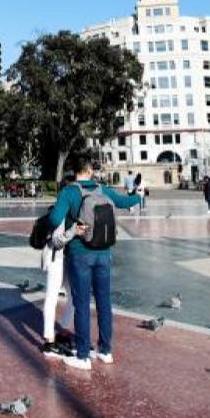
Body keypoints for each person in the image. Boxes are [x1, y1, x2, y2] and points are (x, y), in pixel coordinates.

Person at [47, 159, 140, 371]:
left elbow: (53, 220)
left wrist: (72, 227)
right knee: (104, 302)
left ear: (74, 171)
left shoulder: (69, 192)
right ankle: (105, 351)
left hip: (80, 253)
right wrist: (138, 194)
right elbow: (126, 202)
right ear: (90, 171)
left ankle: (82, 356)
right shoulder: (103, 189)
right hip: (104, 253)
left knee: (81, 304)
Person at [40, 210, 79, 357]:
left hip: (68, 259)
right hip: (56, 259)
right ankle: (49, 340)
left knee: (74, 296)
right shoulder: (59, 213)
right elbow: (57, 240)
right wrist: (74, 231)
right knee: (52, 296)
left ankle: (63, 330)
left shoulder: (74, 210)